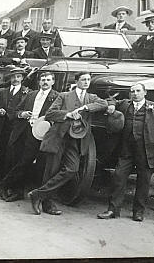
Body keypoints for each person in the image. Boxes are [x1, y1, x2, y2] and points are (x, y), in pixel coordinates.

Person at [28, 71, 108, 215]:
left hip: (76, 140)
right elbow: (50, 113)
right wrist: (67, 114)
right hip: (58, 137)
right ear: (76, 81)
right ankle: (48, 203)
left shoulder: (91, 98)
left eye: (88, 79)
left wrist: (85, 108)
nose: (86, 82)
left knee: (72, 169)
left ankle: (37, 194)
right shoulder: (64, 96)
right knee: (51, 170)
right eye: (83, 79)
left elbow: (104, 103)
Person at [97, 83, 154, 221]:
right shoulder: (125, 104)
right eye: (132, 91)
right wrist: (111, 105)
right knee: (119, 177)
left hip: (146, 151)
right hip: (126, 150)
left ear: (145, 92)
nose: (135, 93)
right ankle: (113, 210)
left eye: (138, 91)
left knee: (143, 181)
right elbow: (111, 100)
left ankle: (138, 212)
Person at [0, 72, 59, 202]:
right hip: (26, 131)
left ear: (53, 82)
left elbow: (58, 115)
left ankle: (39, 196)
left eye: (48, 80)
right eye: (42, 80)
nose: (45, 82)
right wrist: (23, 113)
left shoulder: (57, 97)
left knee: (41, 165)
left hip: (44, 135)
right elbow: (16, 111)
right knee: (23, 162)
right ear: (39, 82)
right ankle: (13, 189)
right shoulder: (31, 94)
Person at [0, 67, 29, 193]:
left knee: (13, 159)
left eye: (18, 77)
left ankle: (10, 186)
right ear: (10, 78)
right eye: (13, 77)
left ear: (22, 78)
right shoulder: (2, 92)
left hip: (16, 130)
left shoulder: (27, 93)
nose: (15, 79)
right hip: (1, 130)